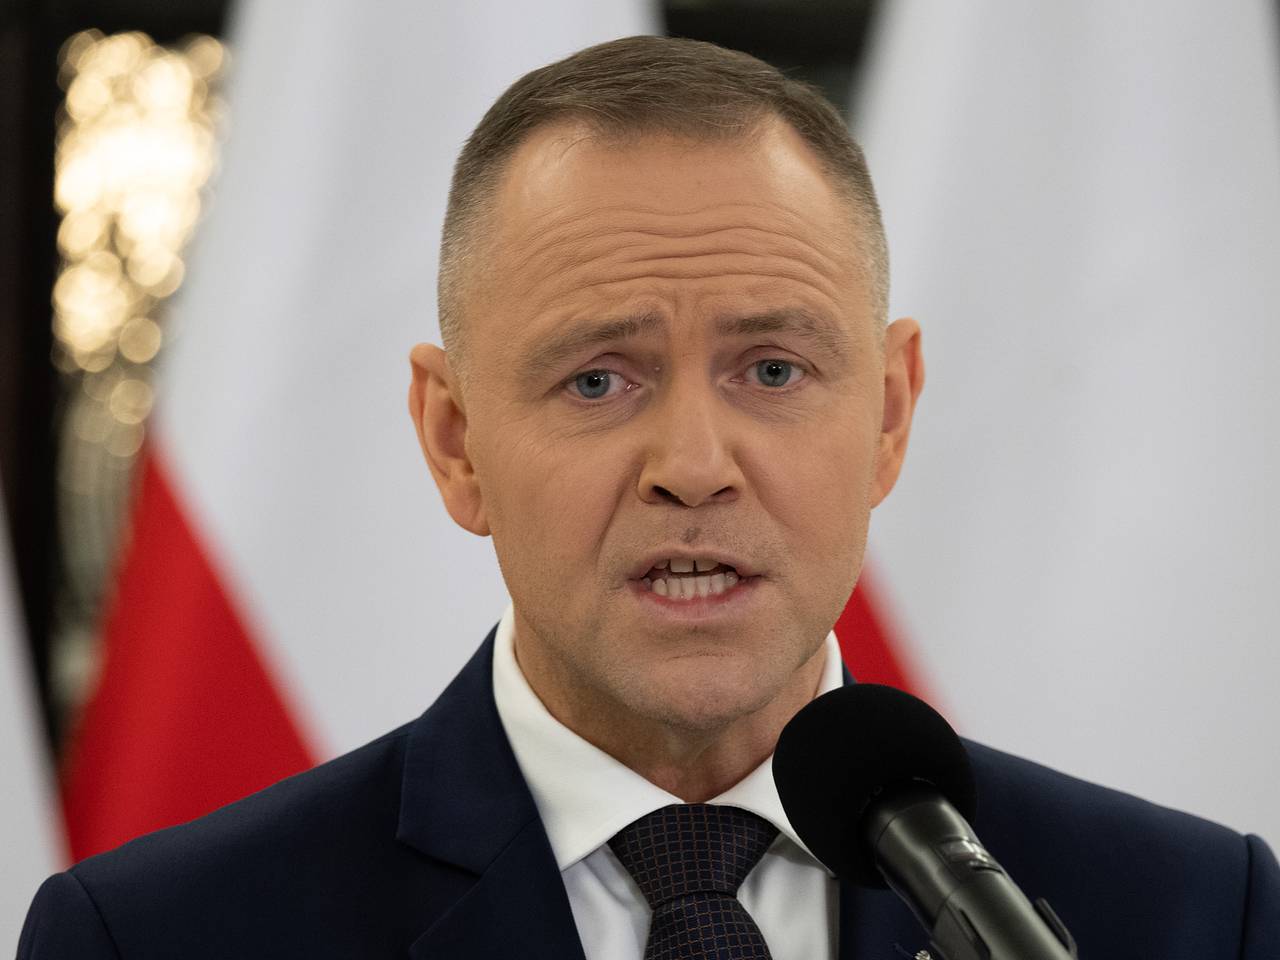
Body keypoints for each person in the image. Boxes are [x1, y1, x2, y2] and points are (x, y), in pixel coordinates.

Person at [18, 35, 1278, 960]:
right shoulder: (158, 936)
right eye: (597, 379)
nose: (693, 463)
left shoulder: (1187, 913)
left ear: (889, 416)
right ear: (455, 440)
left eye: (771, 370)